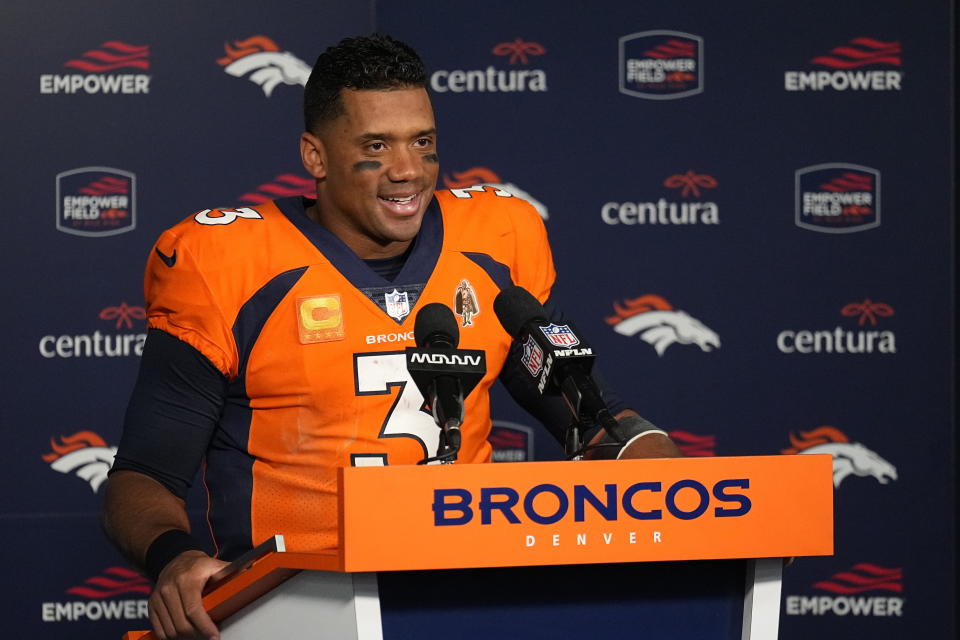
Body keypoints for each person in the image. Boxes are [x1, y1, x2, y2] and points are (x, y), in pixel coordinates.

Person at [102, 34, 682, 640]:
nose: (408, 171)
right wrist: (175, 558)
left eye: (423, 143)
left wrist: (657, 463)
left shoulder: (495, 241)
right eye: (376, 146)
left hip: (465, 594)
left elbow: (591, 415)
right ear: (316, 156)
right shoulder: (227, 264)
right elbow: (143, 475)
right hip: (293, 604)